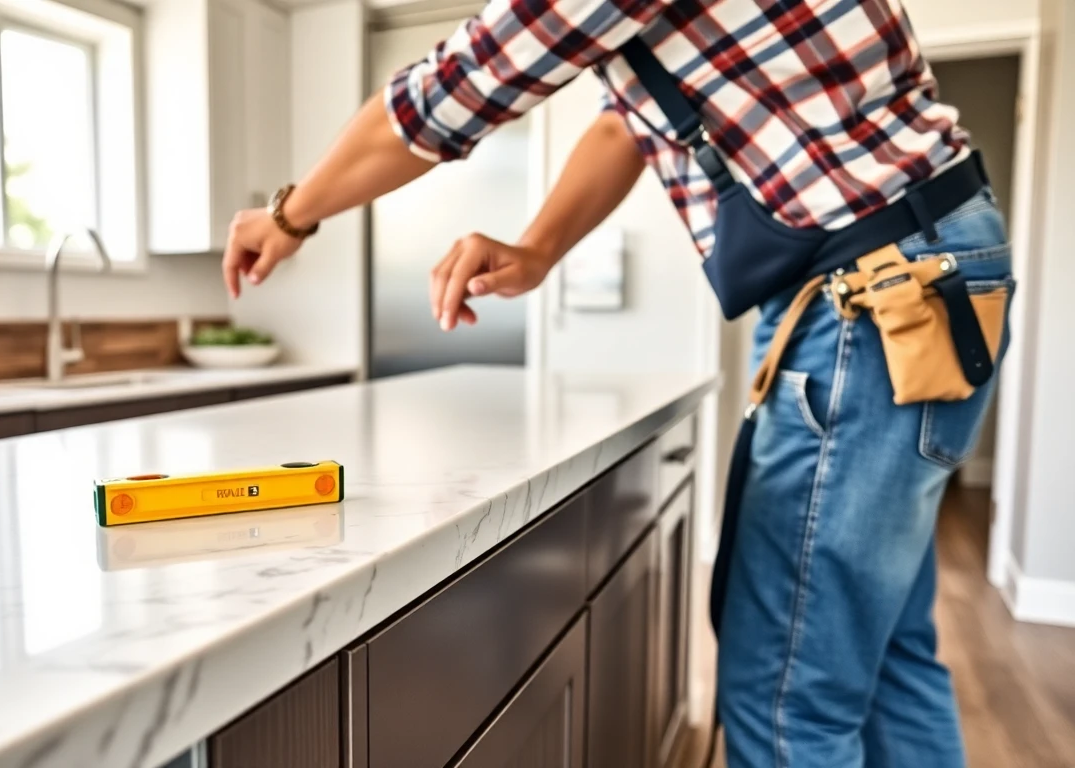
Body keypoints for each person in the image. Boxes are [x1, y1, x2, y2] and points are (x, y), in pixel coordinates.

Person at [222, 1, 1013, 766]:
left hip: (874, 296)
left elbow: (445, 96)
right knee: (887, 654)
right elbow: (625, 125)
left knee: (784, 693)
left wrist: (288, 216)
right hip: (917, 265)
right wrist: (538, 249)